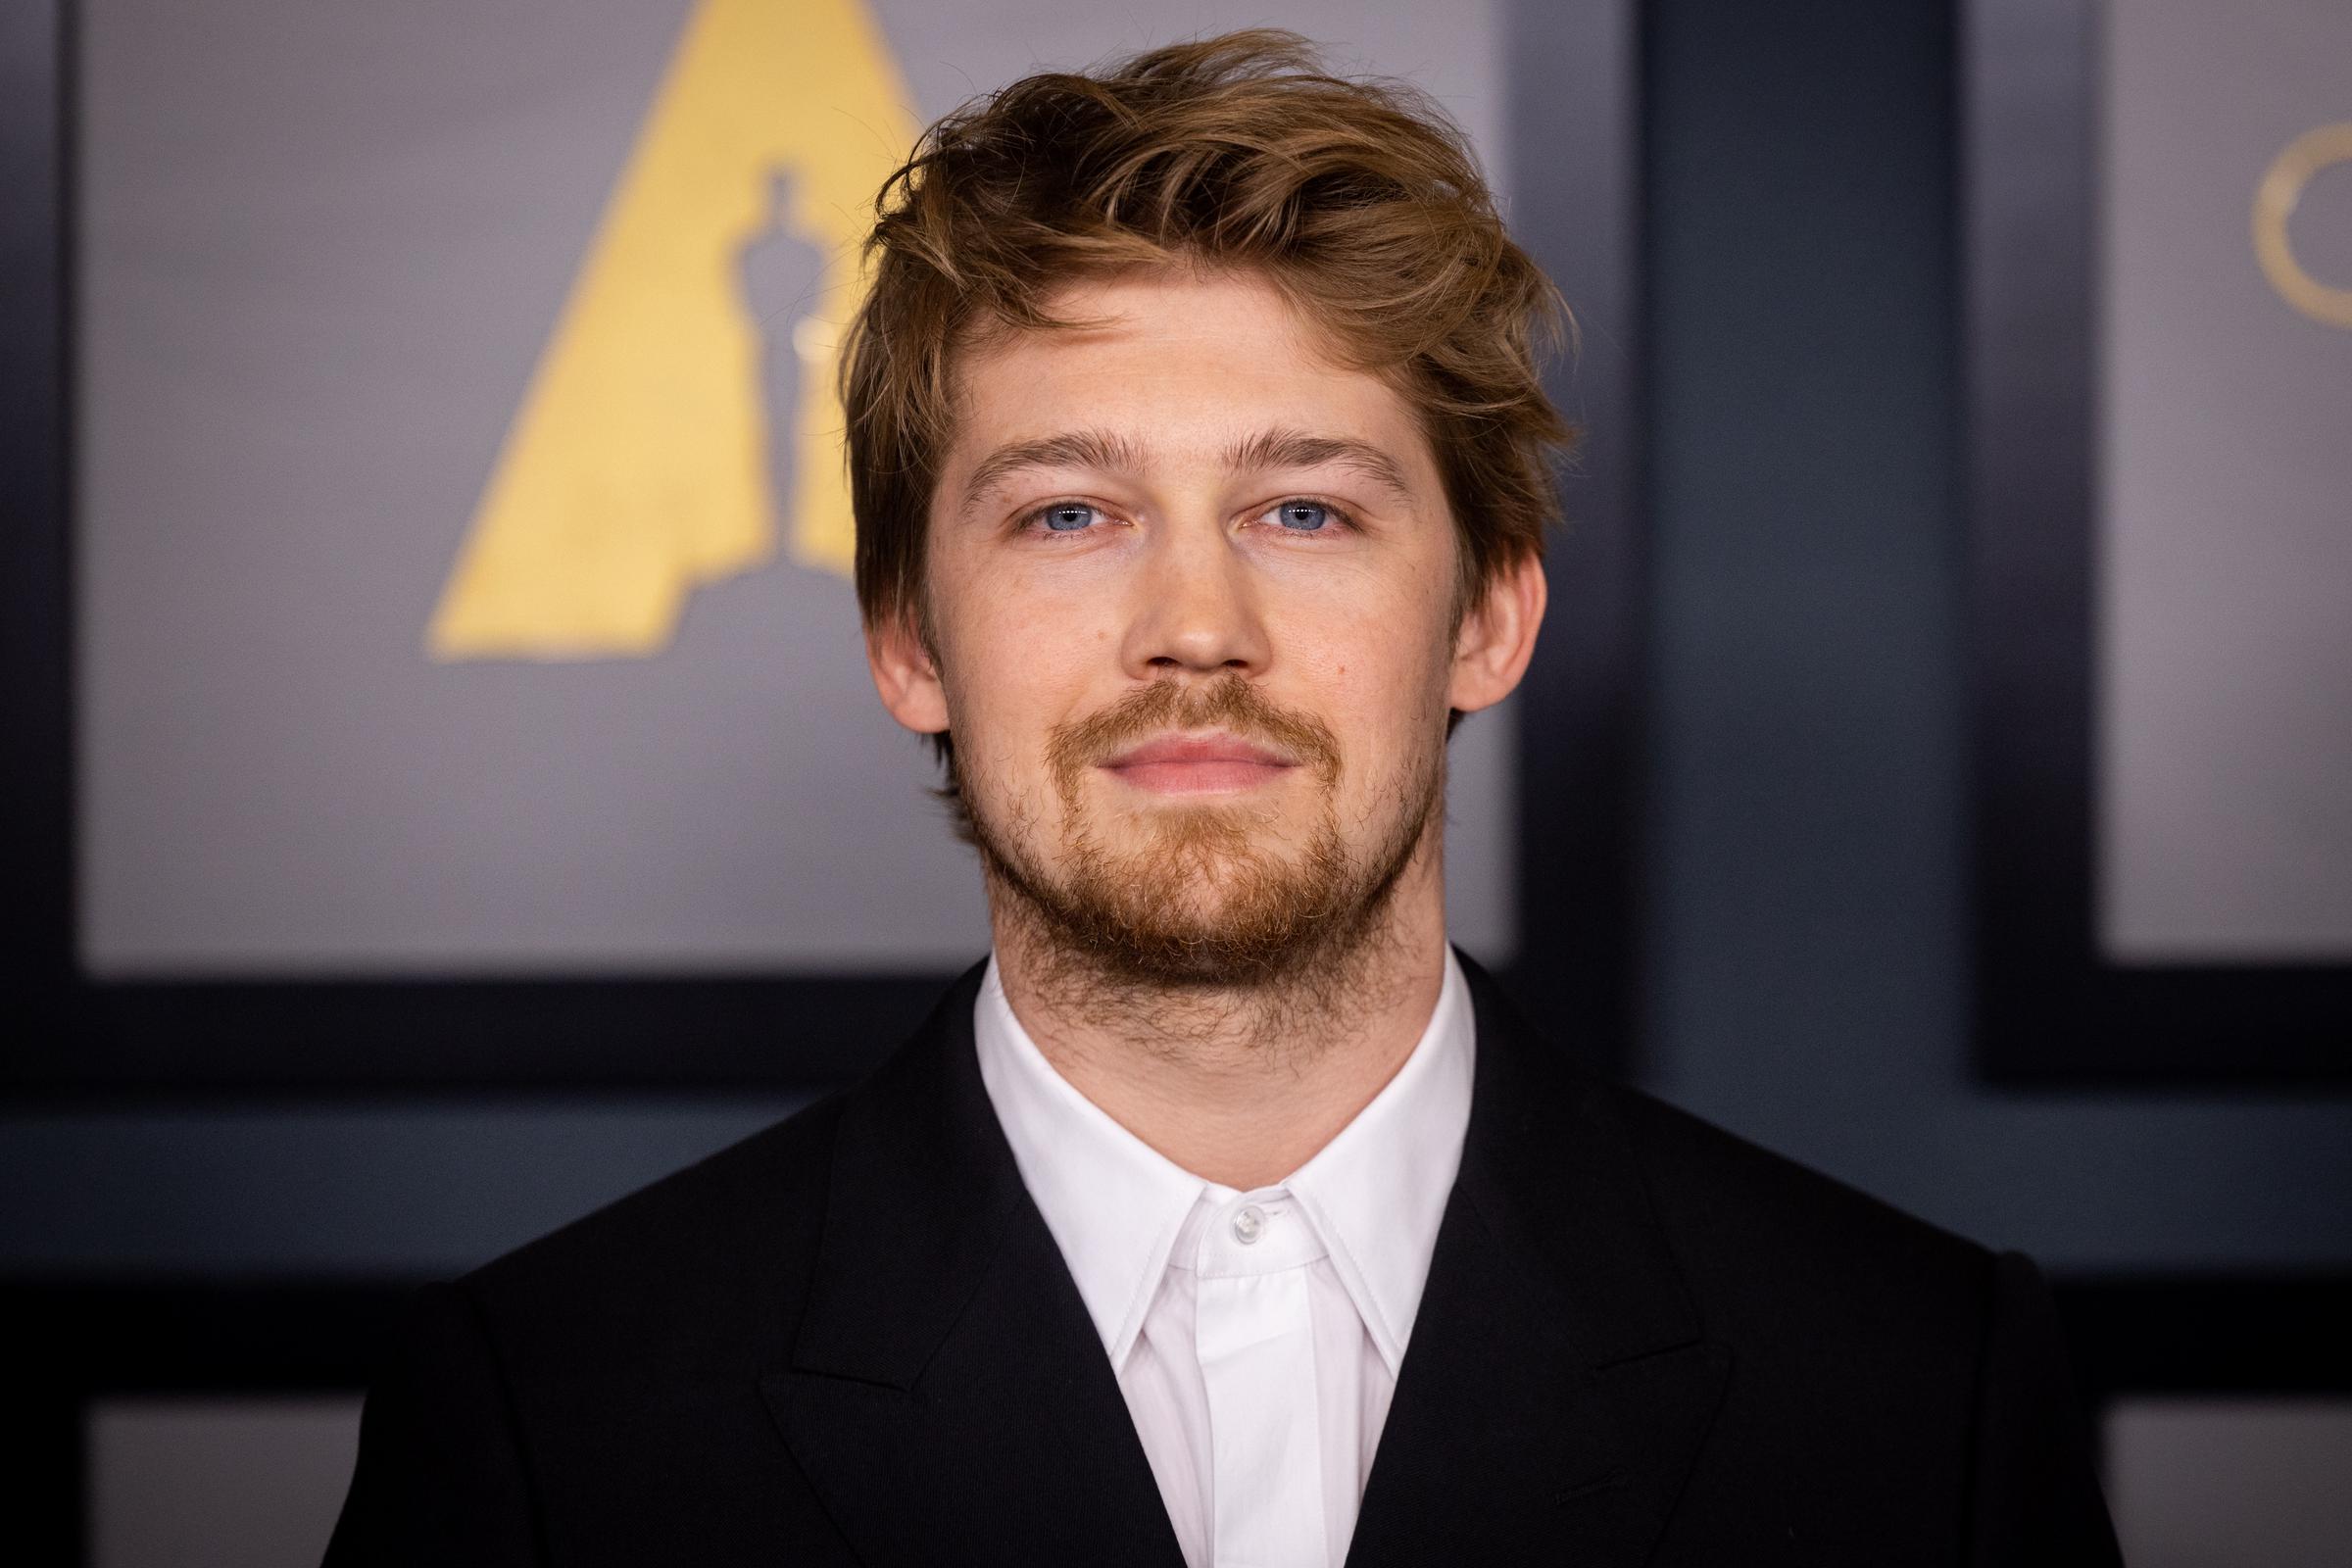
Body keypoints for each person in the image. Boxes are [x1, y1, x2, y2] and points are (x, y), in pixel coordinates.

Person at [326, 31, 2121, 1566]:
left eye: (1306, 510)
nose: (1196, 629)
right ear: (907, 641)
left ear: (1488, 615)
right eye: (1069, 515)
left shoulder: (1917, 1394)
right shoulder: (550, 1426)